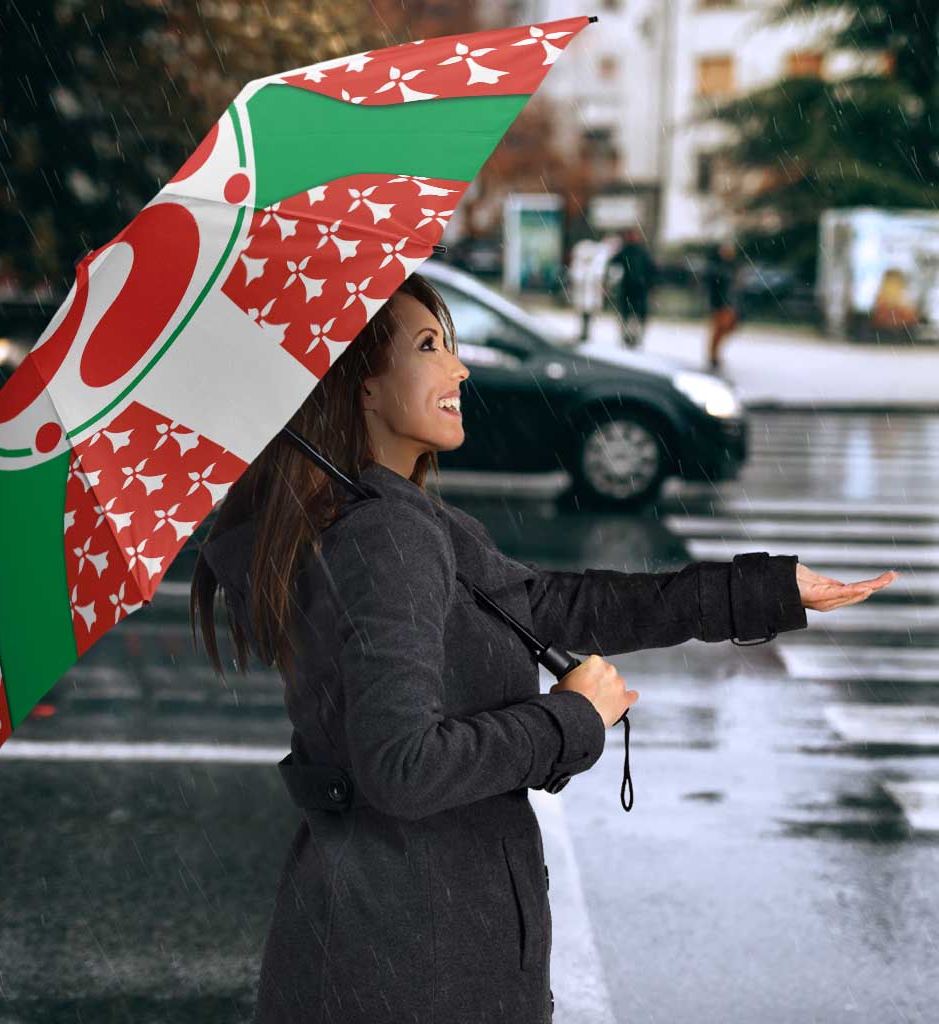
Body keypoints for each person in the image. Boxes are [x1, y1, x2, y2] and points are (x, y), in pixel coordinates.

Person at [190, 271, 894, 1024]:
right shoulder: (384, 536)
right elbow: (402, 767)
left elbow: (555, 605)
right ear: (361, 385)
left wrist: (764, 591)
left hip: (392, 942)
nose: (459, 368)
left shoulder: (390, 517)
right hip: (414, 962)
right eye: (429, 346)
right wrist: (570, 719)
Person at [607, 226, 657, 349]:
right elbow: (613, 264)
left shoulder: (640, 252)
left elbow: (651, 270)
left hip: (638, 288)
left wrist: (650, 284)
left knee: (635, 315)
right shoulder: (627, 251)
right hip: (630, 288)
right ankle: (628, 337)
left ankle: (634, 337)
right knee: (628, 314)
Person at [705, 239, 741, 370]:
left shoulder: (732, 266)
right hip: (720, 303)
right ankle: (713, 355)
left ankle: (714, 354)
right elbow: (714, 286)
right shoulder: (717, 267)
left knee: (727, 328)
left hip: (729, 303)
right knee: (719, 329)